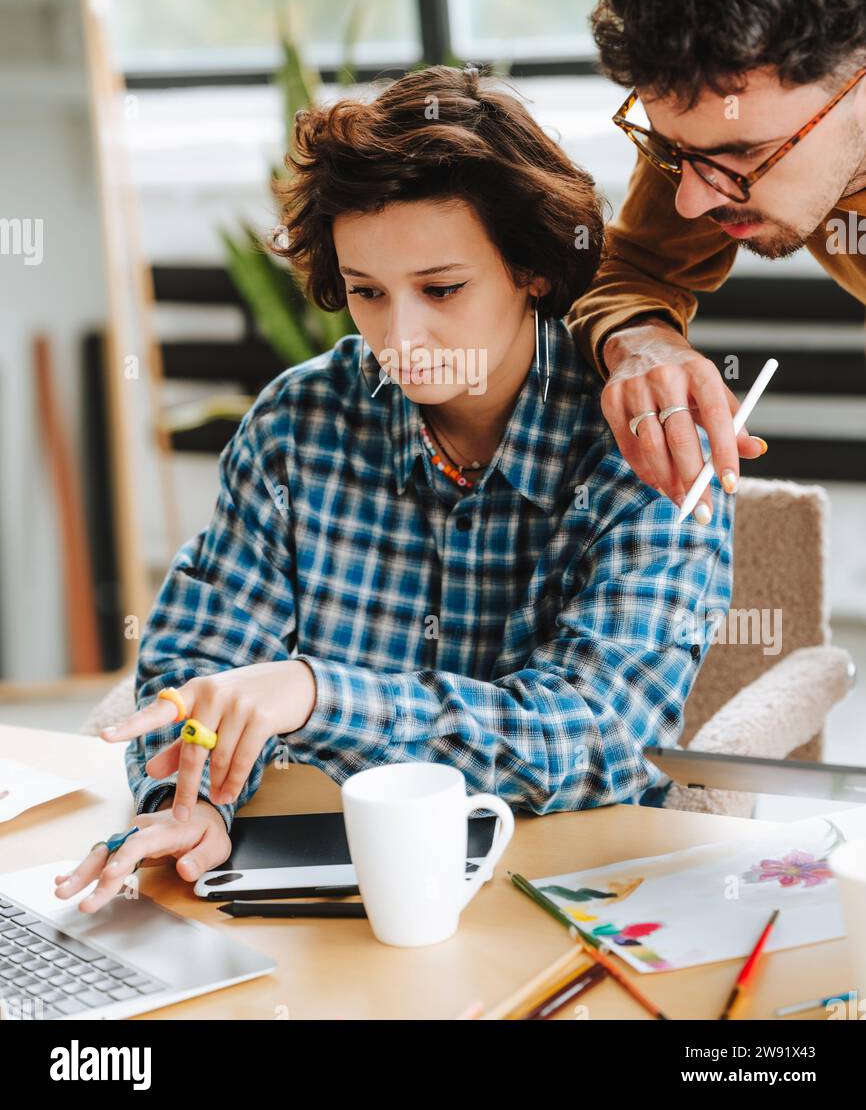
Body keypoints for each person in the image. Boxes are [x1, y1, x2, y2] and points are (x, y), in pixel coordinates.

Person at [54, 66, 732, 914]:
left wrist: (315, 694)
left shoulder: (650, 442)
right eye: (368, 294)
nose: (400, 338)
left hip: (568, 898)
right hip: (331, 900)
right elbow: (202, 664)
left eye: (441, 289)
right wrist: (194, 807)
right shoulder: (298, 423)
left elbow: (601, 738)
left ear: (533, 270)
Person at [566, 0, 866, 521]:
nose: (694, 200)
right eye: (677, 152)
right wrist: (640, 342)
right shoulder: (712, 135)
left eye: (744, 156)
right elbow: (632, 269)